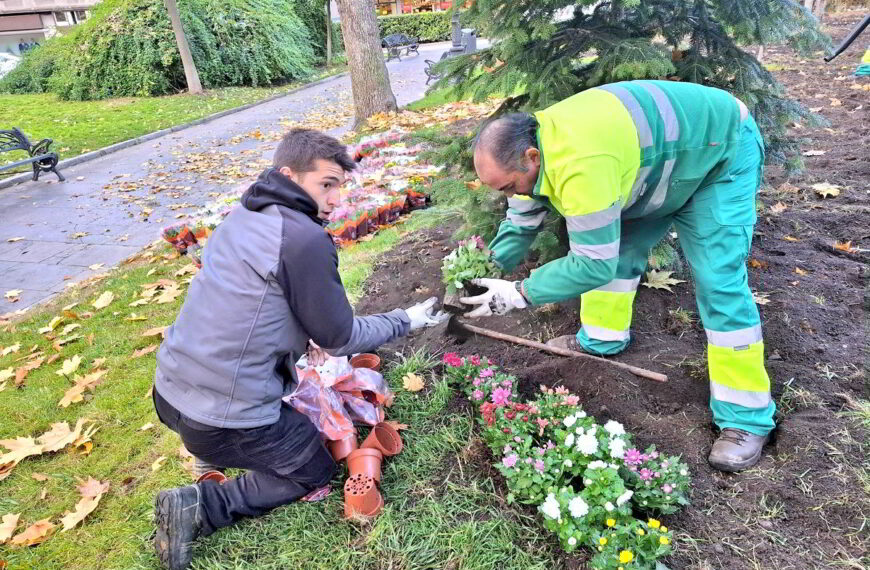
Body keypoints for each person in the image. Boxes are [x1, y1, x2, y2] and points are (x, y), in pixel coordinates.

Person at [152, 128, 446, 570]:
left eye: (338, 187)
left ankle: (209, 454)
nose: (335, 200)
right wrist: (406, 318)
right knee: (312, 468)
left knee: (265, 423)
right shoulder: (303, 238)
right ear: (289, 175)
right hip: (221, 415)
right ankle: (203, 505)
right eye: (326, 184)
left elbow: (254, 306)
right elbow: (340, 338)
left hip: (169, 391)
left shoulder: (246, 214)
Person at [463, 80, 774, 474]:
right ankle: (602, 339)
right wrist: (483, 269)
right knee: (621, 243)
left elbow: (593, 264)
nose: (510, 194)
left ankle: (746, 418)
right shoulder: (532, 150)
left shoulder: (583, 166)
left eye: (509, 186)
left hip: (719, 154)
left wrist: (518, 293)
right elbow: (521, 222)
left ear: (532, 157)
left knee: (719, 283)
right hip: (661, 166)